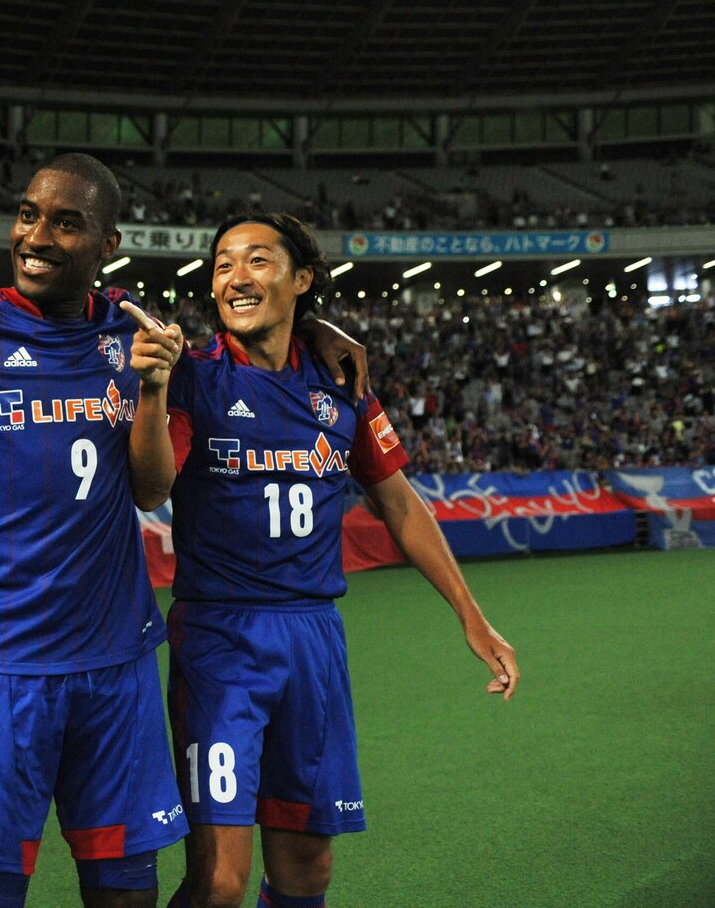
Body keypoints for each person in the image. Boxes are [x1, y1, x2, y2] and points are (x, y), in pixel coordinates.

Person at [0, 83, 370, 908]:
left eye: (63, 222)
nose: (35, 235)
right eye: (27, 215)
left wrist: (321, 326)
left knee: (128, 895)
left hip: (116, 668)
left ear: (106, 243)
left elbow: (234, 346)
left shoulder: (134, 332)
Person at [123, 213, 520, 908]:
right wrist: (153, 392)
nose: (235, 277)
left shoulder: (342, 383)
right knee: (218, 881)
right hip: (220, 641)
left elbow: (398, 503)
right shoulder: (195, 376)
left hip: (314, 642)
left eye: (256, 261)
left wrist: (471, 617)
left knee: (309, 872)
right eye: (221, 265)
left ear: (302, 279)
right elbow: (152, 487)